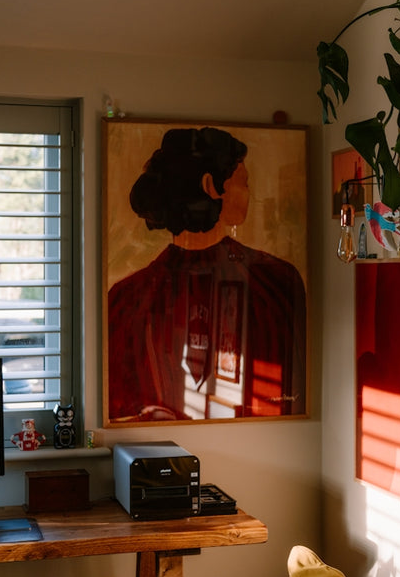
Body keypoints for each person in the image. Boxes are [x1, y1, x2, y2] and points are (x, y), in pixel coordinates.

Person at [107, 127, 306, 421]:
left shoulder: (277, 281)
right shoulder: (273, 283)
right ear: (211, 186)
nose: (250, 196)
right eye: (245, 183)